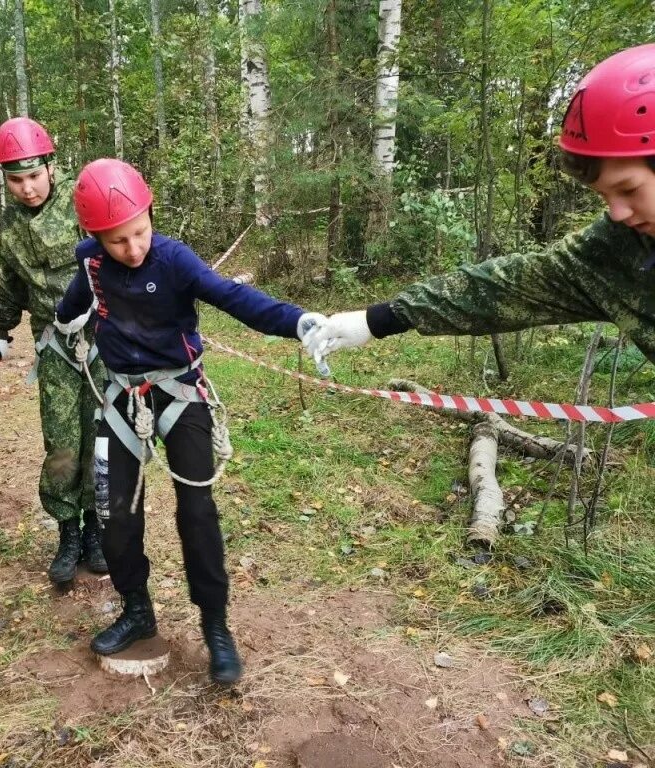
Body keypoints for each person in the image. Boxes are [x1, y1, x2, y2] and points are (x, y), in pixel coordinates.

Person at [56, 158, 320, 684]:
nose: (132, 249)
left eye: (139, 233)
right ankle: (136, 608)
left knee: (196, 511)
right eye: (116, 241)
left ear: (151, 214)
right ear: (95, 237)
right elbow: (72, 305)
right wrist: (65, 323)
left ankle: (215, 626)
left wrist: (299, 322)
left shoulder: (174, 260)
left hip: (181, 394)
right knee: (112, 511)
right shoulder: (90, 264)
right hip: (121, 398)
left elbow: (231, 296)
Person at [304, 43, 655, 368]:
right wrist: (377, 319)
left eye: (629, 189)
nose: (618, 213)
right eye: (605, 196)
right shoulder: (620, 251)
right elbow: (506, 286)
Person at [0, 117, 107, 587]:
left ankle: (96, 530)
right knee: (60, 442)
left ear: (51, 167)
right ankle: (67, 533)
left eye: (34, 176)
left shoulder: (83, 200)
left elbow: (117, 250)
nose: (27, 188)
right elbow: (12, 284)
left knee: (99, 436)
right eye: (16, 180)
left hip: (100, 339)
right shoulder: (11, 224)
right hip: (52, 345)